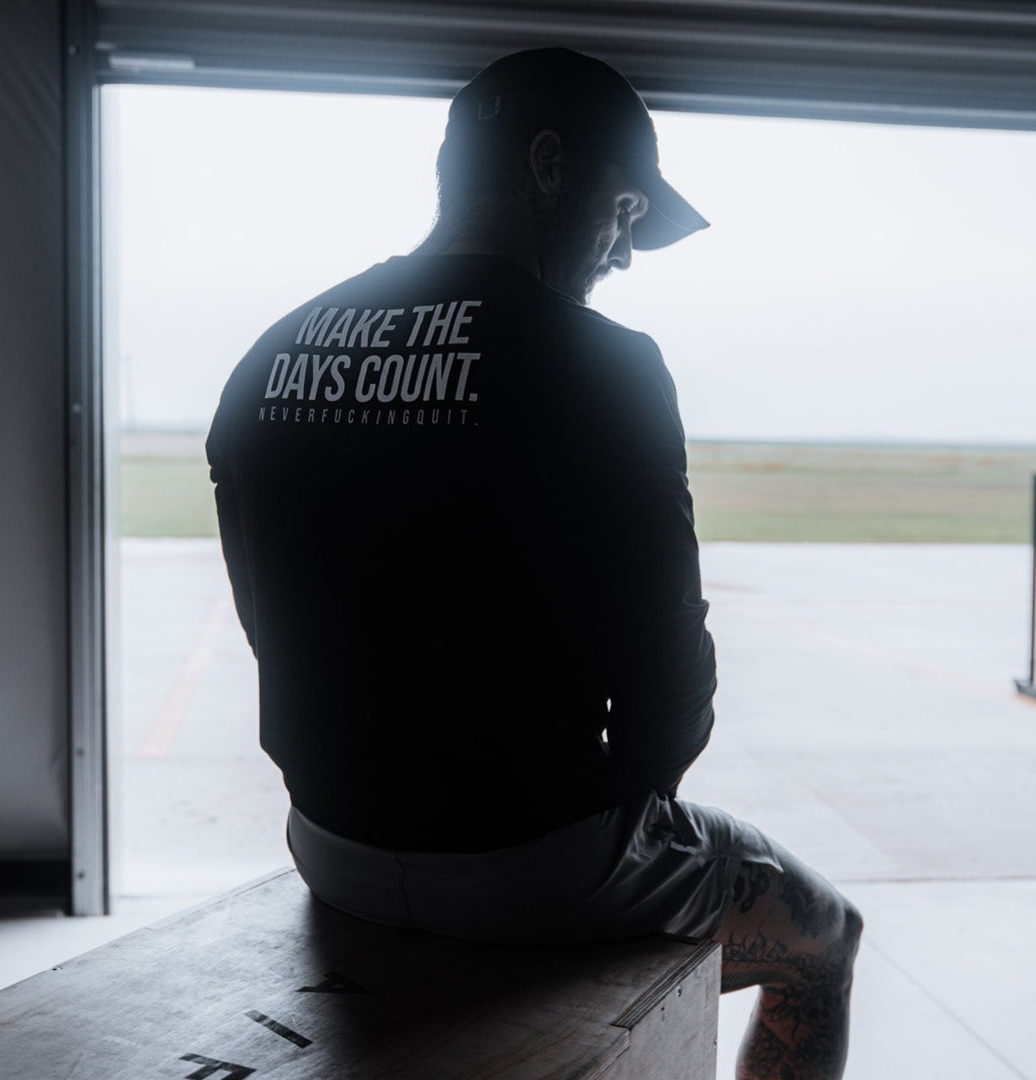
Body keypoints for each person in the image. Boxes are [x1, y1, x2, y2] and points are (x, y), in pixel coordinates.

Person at [207, 47, 862, 1080]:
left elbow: (260, 615)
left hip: (326, 843)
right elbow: (668, 663)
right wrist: (631, 818)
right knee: (829, 940)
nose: (627, 250)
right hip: (539, 864)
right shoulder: (606, 364)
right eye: (628, 209)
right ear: (550, 166)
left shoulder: (271, 352)